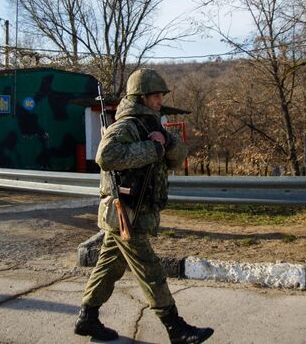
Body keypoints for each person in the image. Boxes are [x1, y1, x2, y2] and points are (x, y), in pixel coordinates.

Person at [74, 69, 214, 344]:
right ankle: (176, 328)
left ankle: (87, 318)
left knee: (109, 267)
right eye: (156, 95)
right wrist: (151, 149)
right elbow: (106, 155)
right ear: (141, 97)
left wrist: (166, 142)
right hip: (126, 213)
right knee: (151, 270)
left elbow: (176, 158)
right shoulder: (127, 125)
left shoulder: (152, 125)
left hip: (132, 213)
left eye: (162, 94)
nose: (160, 99)